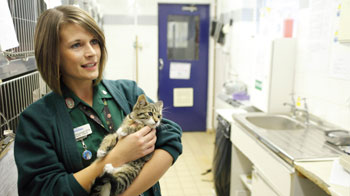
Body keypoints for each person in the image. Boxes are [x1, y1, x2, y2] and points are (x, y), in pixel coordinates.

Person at [14, 5, 182, 196]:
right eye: (76, 45)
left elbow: (172, 139)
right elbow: (44, 190)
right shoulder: (37, 120)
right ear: (53, 55)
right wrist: (115, 157)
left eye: (94, 41)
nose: (91, 52)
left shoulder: (127, 93)